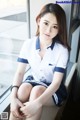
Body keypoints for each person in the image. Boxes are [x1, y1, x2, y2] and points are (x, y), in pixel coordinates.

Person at [9, 3, 70, 120]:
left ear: (59, 29)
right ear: (38, 20)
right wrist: (13, 98)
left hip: (53, 89)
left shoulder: (62, 50)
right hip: (34, 80)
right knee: (21, 91)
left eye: (55, 27)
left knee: (37, 91)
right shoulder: (28, 44)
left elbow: (56, 83)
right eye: (46, 23)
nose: (48, 30)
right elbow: (20, 73)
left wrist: (37, 103)